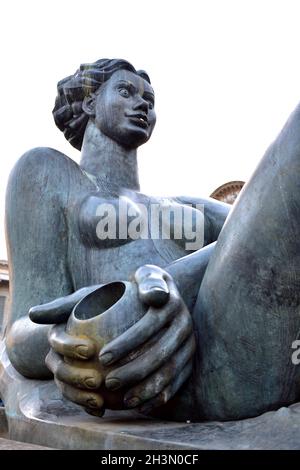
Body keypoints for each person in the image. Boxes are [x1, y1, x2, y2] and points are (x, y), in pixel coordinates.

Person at [4, 58, 300, 422]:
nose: (143, 104)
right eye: (126, 91)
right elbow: (20, 334)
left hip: (249, 336)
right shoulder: (48, 172)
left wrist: (177, 279)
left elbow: (264, 239)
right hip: (171, 375)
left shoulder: (188, 206)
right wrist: (88, 323)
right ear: (89, 103)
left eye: (150, 98)